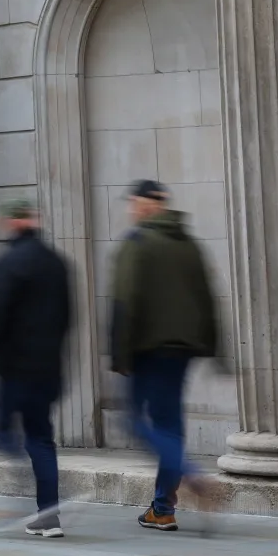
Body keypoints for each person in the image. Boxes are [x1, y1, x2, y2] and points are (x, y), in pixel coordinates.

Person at [109, 178, 218, 532]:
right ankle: (162, 508)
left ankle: (189, 473)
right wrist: (212, 347)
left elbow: (125, 301)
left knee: (134, 421)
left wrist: (119, 354)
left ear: (144, 204)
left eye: (132, 203)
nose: (130, 209)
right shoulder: (189, 243)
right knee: (170, 426)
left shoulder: (137, 242)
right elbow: (207, 297)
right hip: (182, 349)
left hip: (147, 349)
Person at [0, 198, 73, 538]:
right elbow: (68, 318)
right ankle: (49, 517)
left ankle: (17, 467)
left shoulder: (9, 262)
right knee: (42, 440)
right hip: (47, 369)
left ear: (11, 223)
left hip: (16, 369)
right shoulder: (57, 262)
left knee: (1, 430)